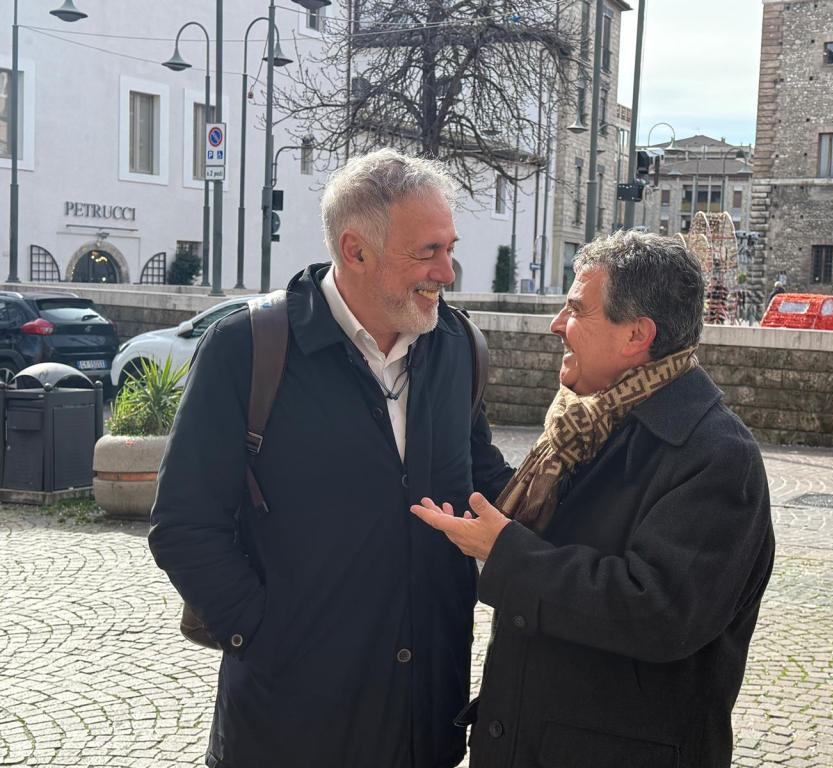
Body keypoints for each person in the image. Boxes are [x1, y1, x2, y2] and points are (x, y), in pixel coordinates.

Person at [149, 148, 513, 768]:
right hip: (286, 731)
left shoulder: (459, 347)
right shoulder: (248, 348)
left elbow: (480, 482)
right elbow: (184, 526)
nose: (447, 271)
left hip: (424, 728)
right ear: (355, 250)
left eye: (449, 248)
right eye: (427, 252)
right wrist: (266, 638)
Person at [412, 230, 775, 768]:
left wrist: (507, 552)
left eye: (577, 309)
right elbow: (523, 509)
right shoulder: (586, 422)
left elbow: (658, 611)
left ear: (636, 335)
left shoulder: (716, 456)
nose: (558, 325)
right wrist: (453, 399)